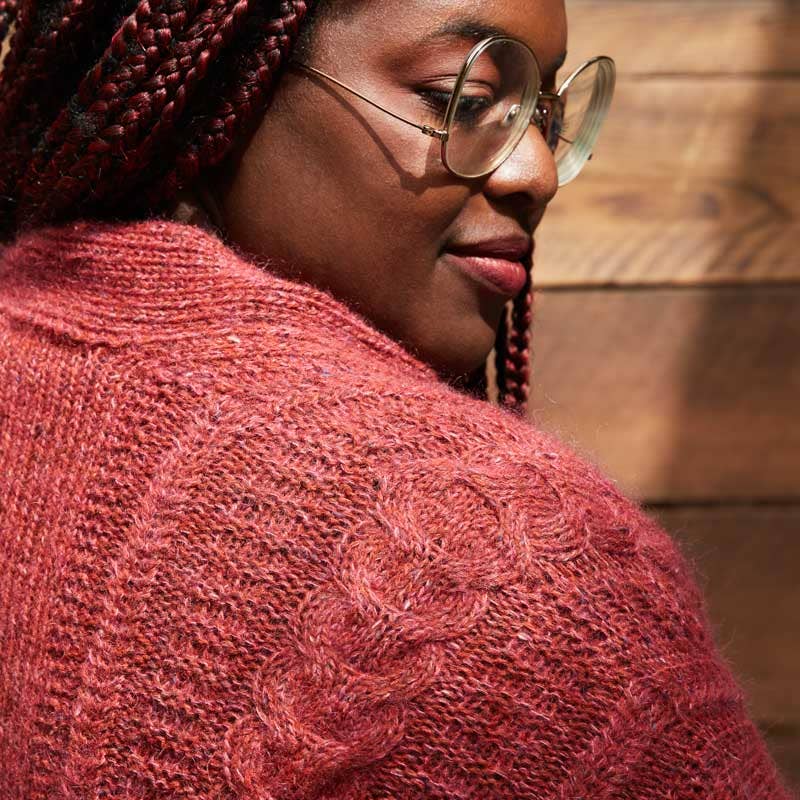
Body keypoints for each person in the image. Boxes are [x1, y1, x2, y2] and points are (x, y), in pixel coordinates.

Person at [0, 1, 792, 798]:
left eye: (545, 113)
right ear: (227, 93)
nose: (537, 172)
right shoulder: (511, 564)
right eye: (464, 102)